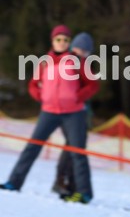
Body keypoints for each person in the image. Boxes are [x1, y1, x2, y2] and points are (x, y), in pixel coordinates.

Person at [1, 25, 99, 203]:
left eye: (65, 40)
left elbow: (92, 84)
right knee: (32, 147)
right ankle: (14, 182)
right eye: (58, 39)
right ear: (53, 41)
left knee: (77, 152)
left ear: (69, 43)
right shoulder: (45, 61)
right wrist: (40, 96)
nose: (62, 43)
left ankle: (85, 193)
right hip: (49, 112)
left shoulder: (77, 61)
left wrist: (78, 97)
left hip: (73, 113)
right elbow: (33, 83)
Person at [52, 32, 95, 199]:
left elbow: (88, 87)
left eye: (86, 52)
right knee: (74, 148)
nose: (83, 54)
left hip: (80, 112)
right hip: (69, 112)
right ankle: (65, 182)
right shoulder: (68, 62)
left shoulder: (84, 64)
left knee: (73, 148)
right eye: (80, 50)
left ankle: (69, 185)